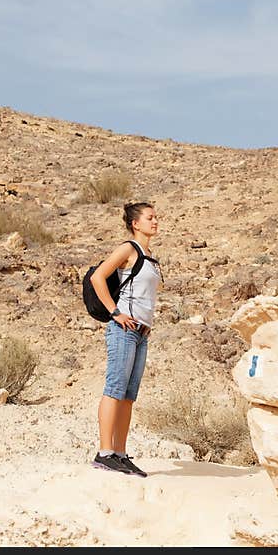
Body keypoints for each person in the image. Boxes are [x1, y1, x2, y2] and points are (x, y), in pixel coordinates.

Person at [88, 201, 163, 477]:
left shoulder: (149, 254)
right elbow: (98, 277)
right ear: (136, 223)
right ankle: (104, 452)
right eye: (150, 218)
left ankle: (120, 453)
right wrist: (115, 312)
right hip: (123, 330)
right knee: (115, 388)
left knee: (129, 396)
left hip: (141, 332)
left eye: (156, 217)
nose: (155, 222)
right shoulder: (128, 249)